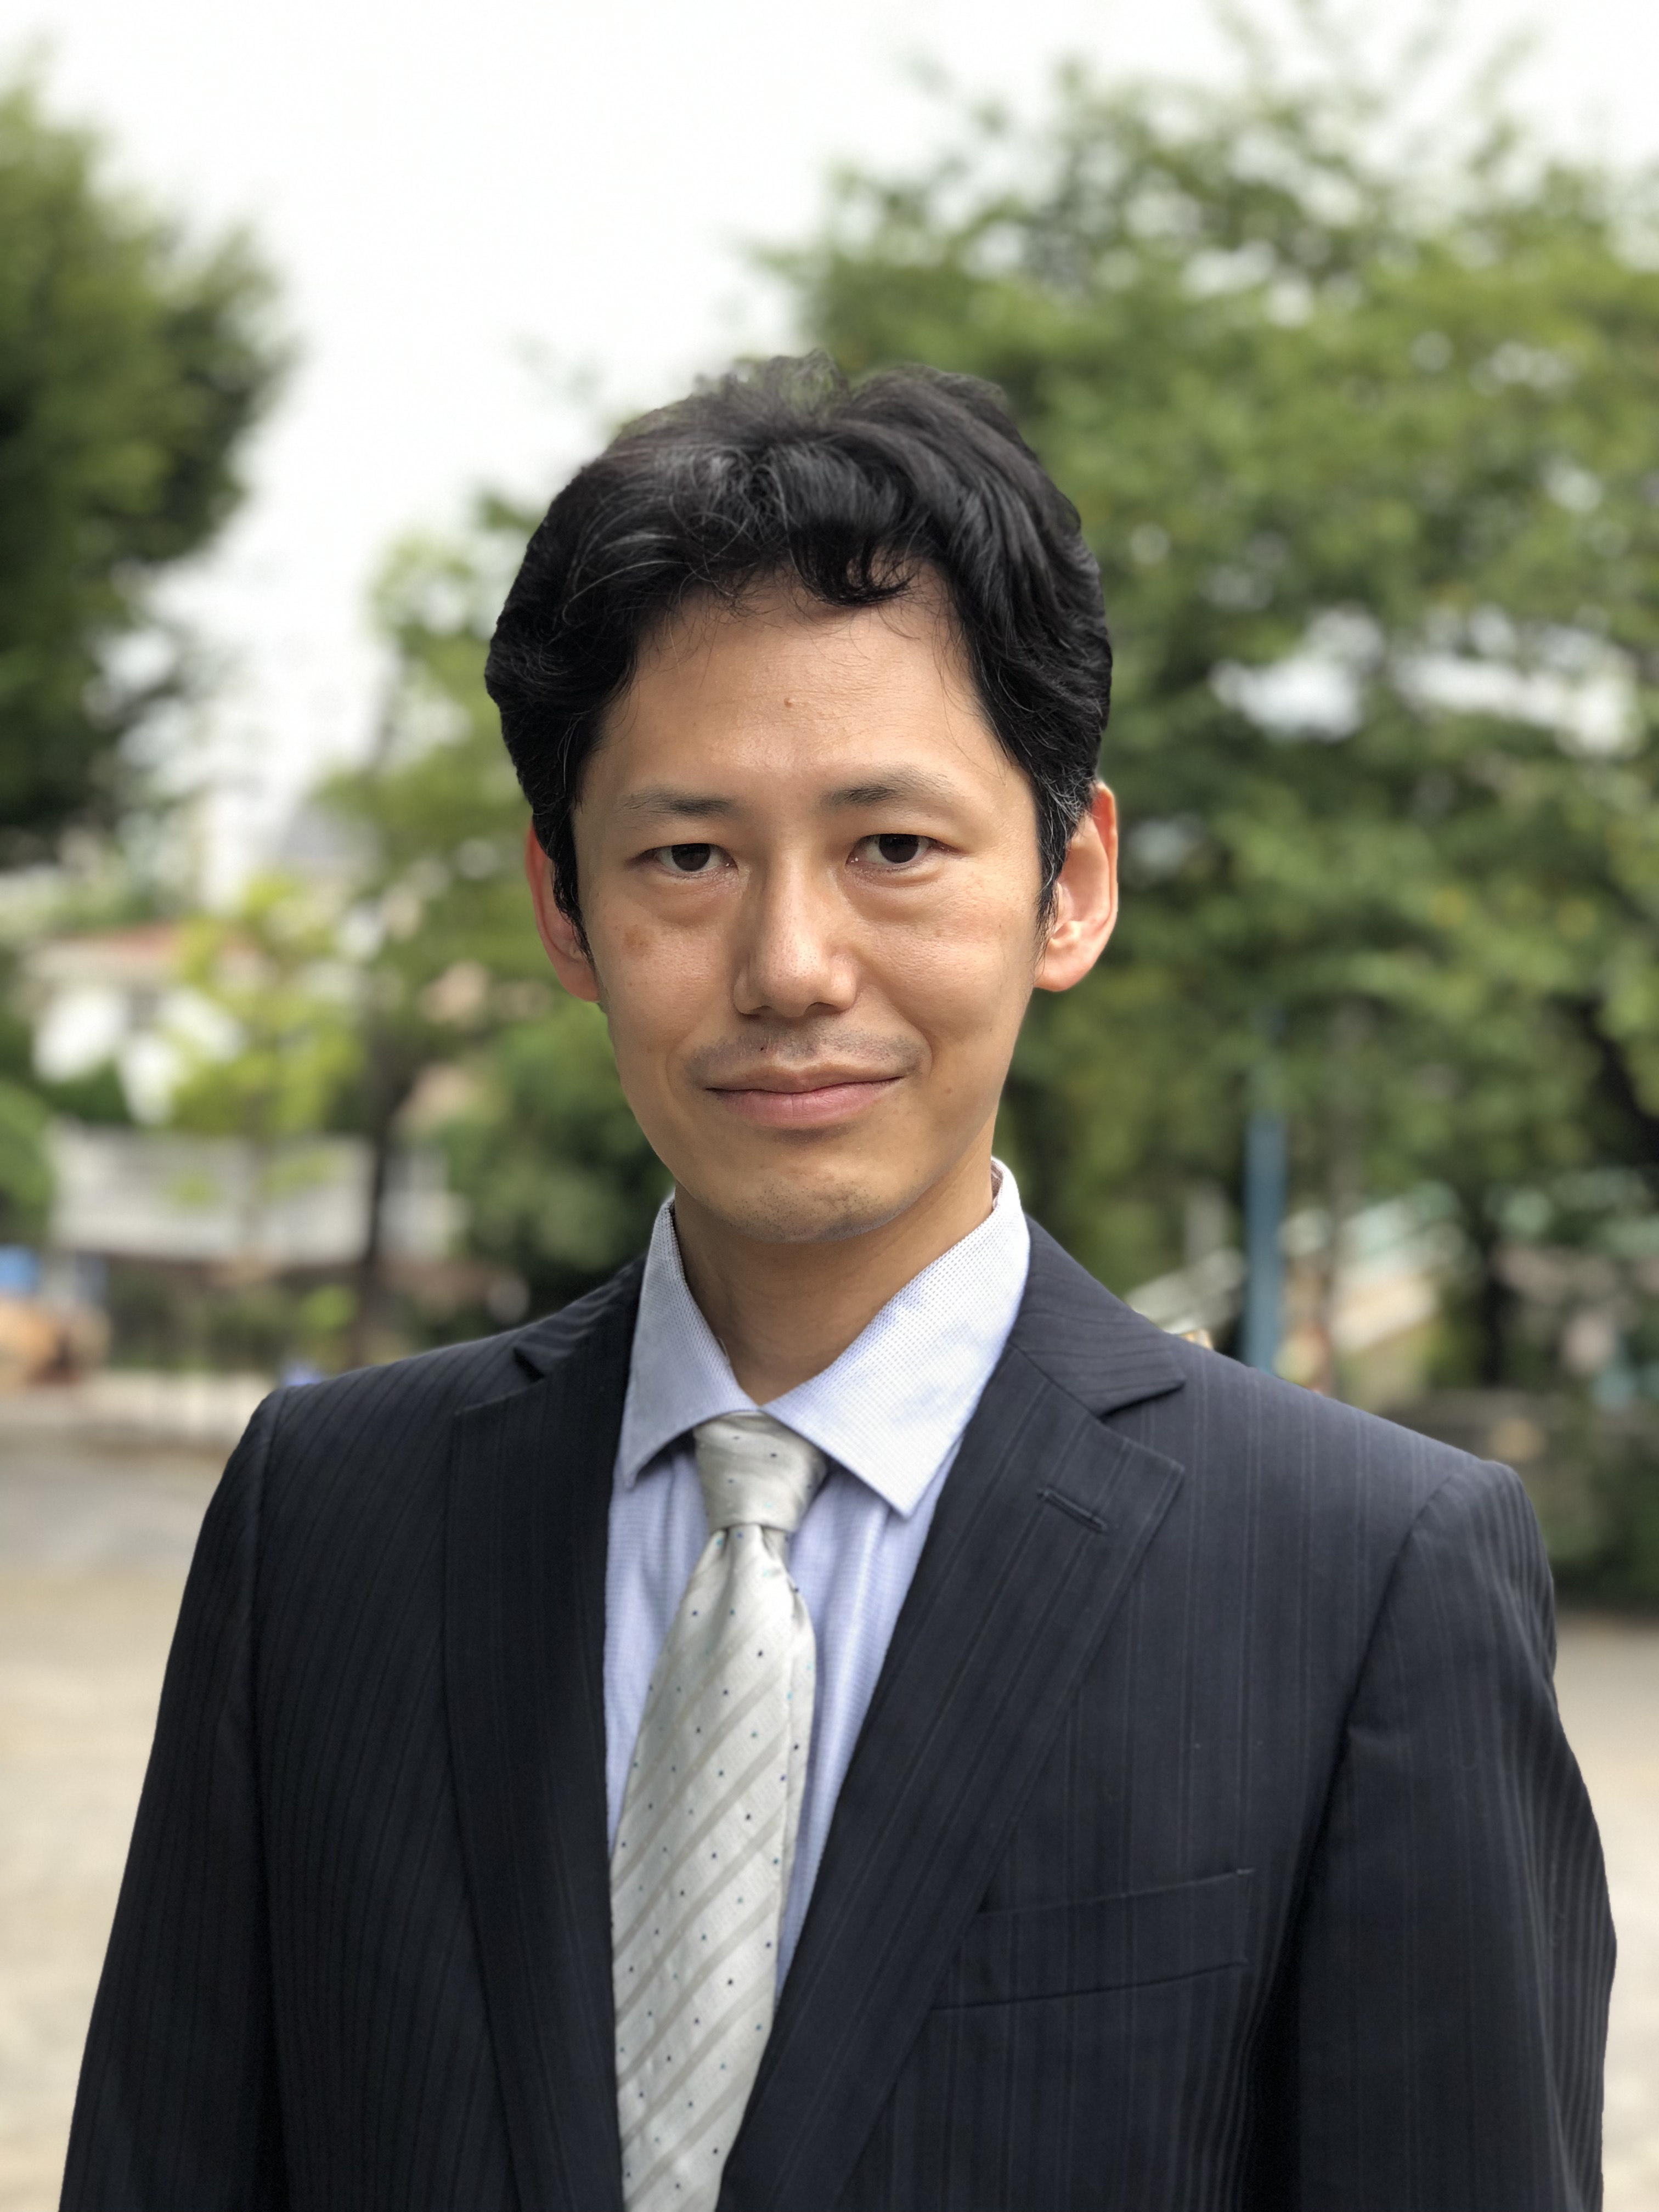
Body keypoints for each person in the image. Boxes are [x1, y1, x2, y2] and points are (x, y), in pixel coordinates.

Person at [64, 357, 1611, 2212]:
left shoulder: (1364, 1577)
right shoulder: (326, 1526)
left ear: (1070, 885)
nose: (791, 964)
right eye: (689, 855)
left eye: (894, 847)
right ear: (564, 907)